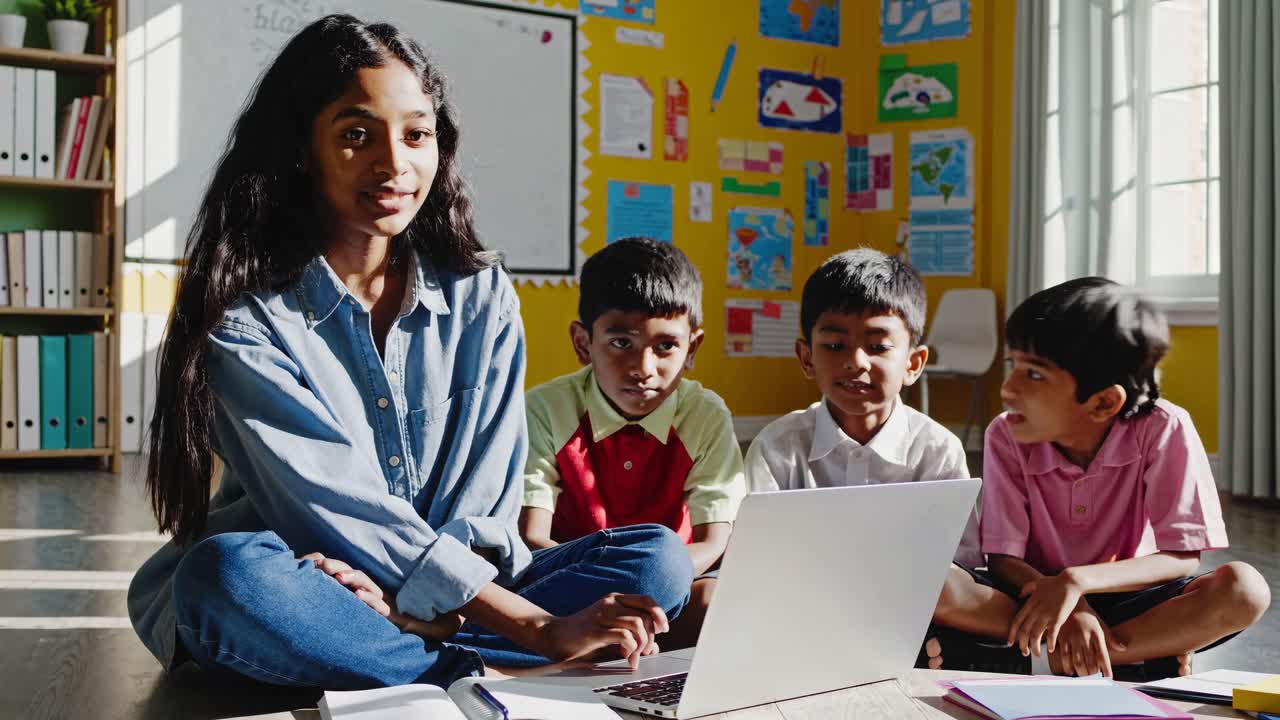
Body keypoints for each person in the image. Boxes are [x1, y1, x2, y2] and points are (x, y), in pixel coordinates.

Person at [128, 14, 692, 690]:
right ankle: (472, 664)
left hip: (449, 597)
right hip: (316, 582)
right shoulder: (245, 318)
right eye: (357, 135)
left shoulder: (481, 294)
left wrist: (419, 610)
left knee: (658, 560)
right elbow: (329, 509)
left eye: (417, 135)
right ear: (303, 149)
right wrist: (537, 629)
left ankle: (410, 648)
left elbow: (486, 497)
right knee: (224, 579)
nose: (395, 164)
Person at [745, 248, 1023, 672]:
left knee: (952, 592)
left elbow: (960, 565)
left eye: (877, 346)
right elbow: (757, 559)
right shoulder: (776, 447)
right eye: (835, 345)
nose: (856, 362)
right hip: (803, 606)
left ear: (913, 363)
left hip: (906, 608)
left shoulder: (937, 449)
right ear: (806, 357)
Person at [983, 277, 1271, 679]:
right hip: (1033, 597)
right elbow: (1002, 558)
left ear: (1103, 402)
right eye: (1013, 366)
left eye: (1034, 375)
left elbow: (1182, 556)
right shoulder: (1005, 433)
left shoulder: (1164, 427)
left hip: (1130, 594)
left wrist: (1078, 582)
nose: (1008, 389)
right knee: (946, 584)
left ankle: (1047, 659)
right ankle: (1143, 655)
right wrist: (1069, 604)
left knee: (1244, 589)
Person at [519, 238, 746, 650]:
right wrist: (605, 598)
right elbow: (533, 537)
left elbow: (713, 542)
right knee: (513, 583)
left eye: (666, 346)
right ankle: (602, 637)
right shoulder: (545, 408)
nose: (644, 369)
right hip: (575, 590)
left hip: (668, 590)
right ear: (583, 343)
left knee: (706, 595)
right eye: (621, 343)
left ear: (691, 348)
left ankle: (624, 637)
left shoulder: (704, 415)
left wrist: (646, 593)